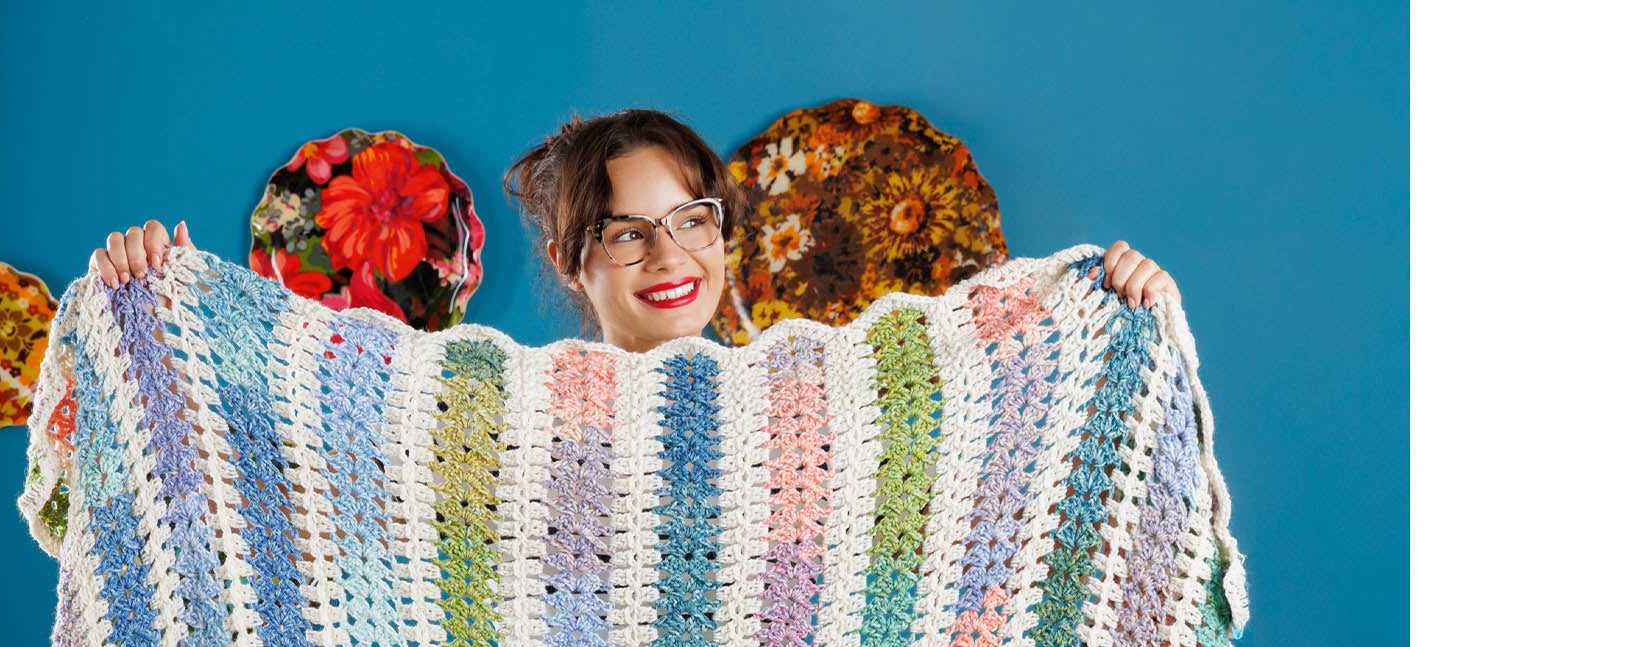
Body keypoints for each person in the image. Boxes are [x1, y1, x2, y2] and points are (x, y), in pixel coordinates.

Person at [91, 107, 1180, 354]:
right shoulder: (501, 426)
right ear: (570, 261)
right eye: (625, 234)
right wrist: (160, 310)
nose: (669, 257)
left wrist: (1120, 309)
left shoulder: (818, 413)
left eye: (690, 221)